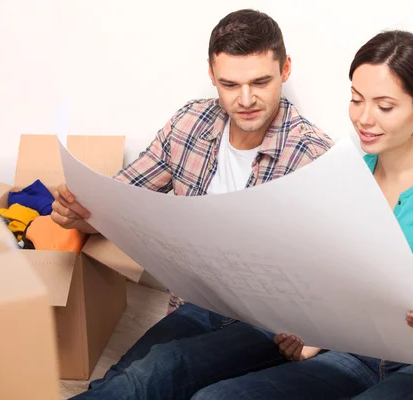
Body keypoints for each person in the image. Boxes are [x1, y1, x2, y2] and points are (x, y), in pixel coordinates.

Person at [187, 31, 413, 400]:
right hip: (353, 354)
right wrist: (313, 338)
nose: (364, 118)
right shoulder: (351, 174)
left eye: (384, 107)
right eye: (356, 100)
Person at [51, 9, 334, 400]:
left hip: (266, 322)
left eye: (261, 82)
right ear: (211, 73)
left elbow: (337, 274)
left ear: (285, 69)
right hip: (197, 304)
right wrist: (76, 214)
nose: (246, 99)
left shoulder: (315, 157)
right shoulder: (190, 124)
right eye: (230, 84)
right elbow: (117, 202)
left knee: (153, 375)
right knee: (122, 377)